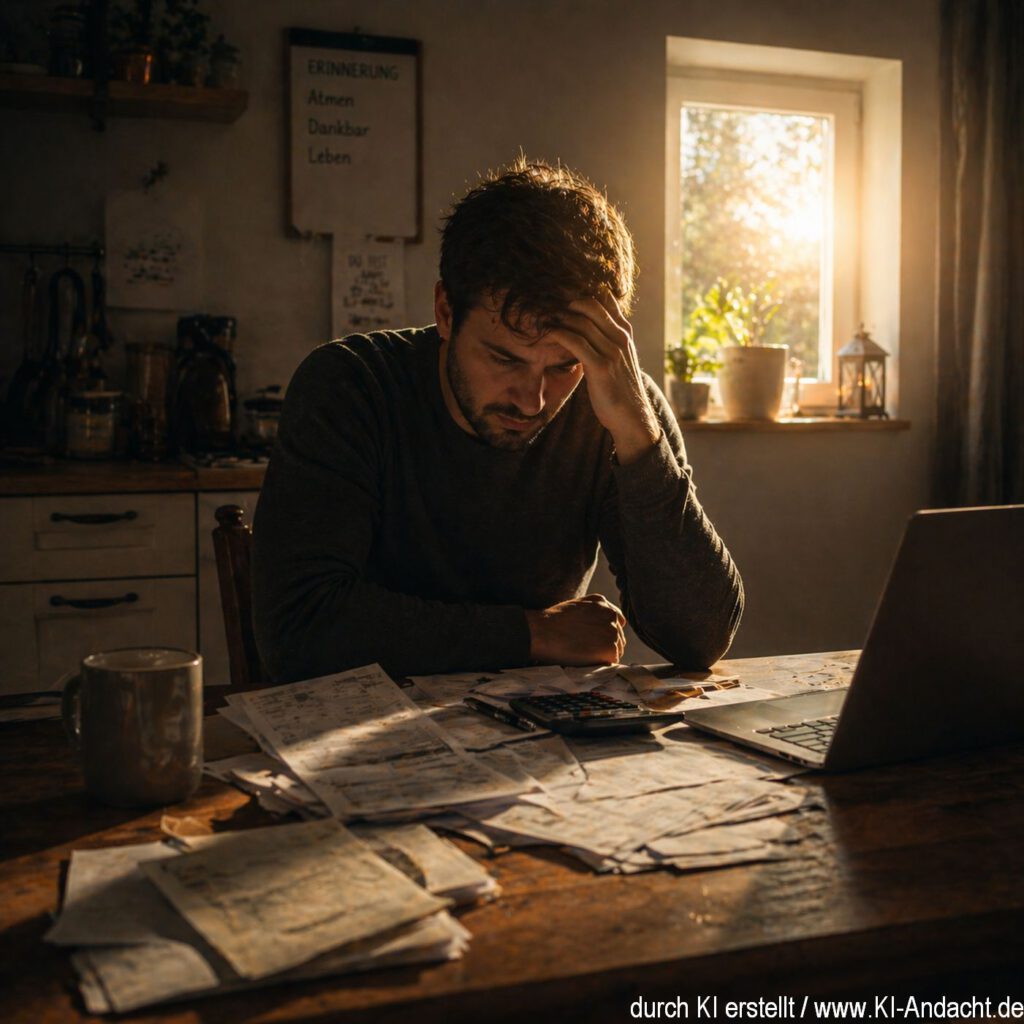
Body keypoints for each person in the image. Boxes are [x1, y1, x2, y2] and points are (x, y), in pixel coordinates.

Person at [252, 159, 743, 682]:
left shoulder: (617, 404)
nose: (533, 401)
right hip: (349, 739)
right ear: (445, 311)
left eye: (563, 365)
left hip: (541, 740)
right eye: (506, 359)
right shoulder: (349, 387)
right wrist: (533, 633)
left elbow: (700, 639)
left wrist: (640, 439)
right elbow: (299, 633)